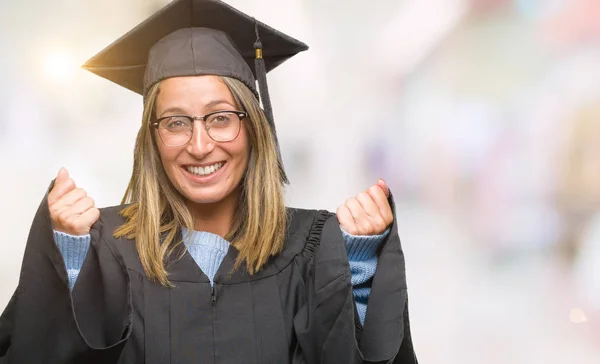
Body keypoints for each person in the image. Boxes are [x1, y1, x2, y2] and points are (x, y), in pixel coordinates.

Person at [0, 0, 417, 363]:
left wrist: (358, 263)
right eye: (177, 122)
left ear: (255, 128)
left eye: (220, 118)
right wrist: (72, 256)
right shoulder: (105, 247)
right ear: (152, 138)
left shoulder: (314, 246)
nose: (200, 146)